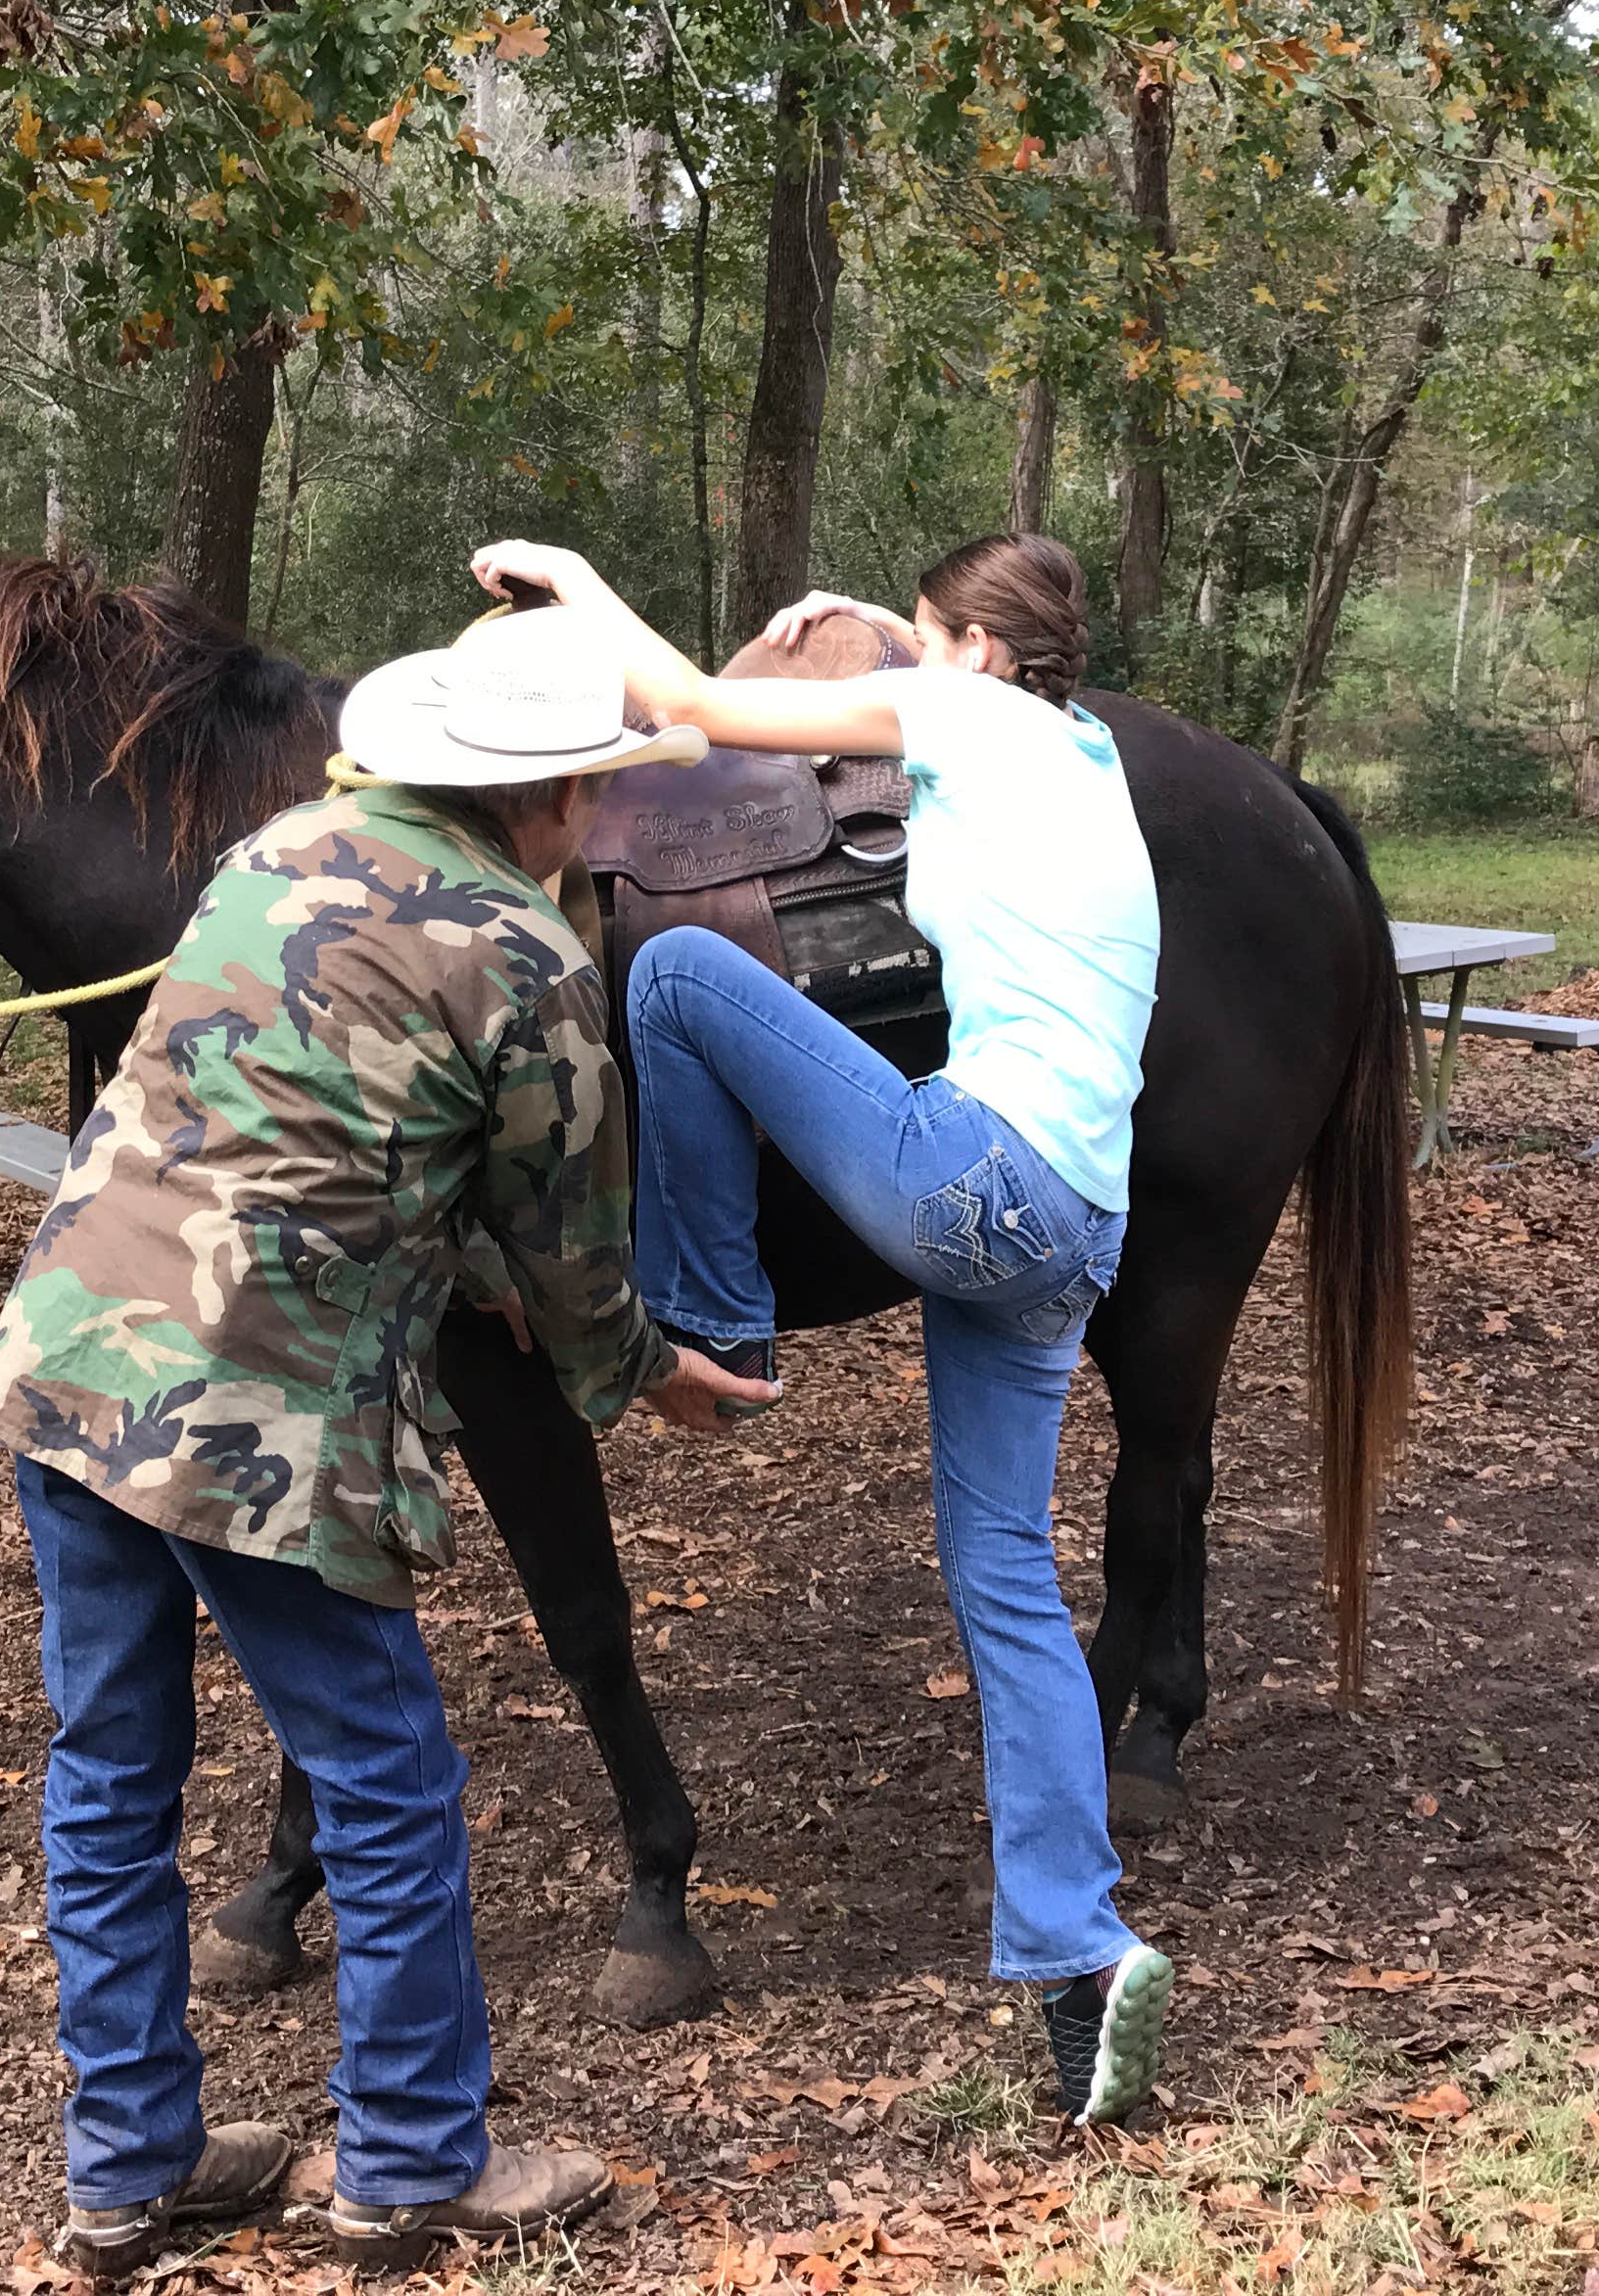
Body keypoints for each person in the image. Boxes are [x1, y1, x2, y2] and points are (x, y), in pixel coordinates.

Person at [0, 612, 778, 2275]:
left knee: (111, 1776)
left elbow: (308, 1120)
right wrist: (646, 1375)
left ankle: (129, 2164)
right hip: (258, 1410)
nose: (600, 822)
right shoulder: (528, 955)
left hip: (67, 1356)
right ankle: (407, 2160)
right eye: (593, 793)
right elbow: (563, 1250)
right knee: (387, 1778)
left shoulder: (275, 846)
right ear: (543, 788)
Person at [461, 530, 1175, 2125]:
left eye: (920, 639)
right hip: (1076, 1225)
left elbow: (689, 695)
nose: (904, 664)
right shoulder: (1085, 744)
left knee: (680, 979)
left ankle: (718, 1316)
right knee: (1000, 1572)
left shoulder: (970, 718)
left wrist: (580, 577)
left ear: (975, 652)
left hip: (979, 1182)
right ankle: (1079, 1956)